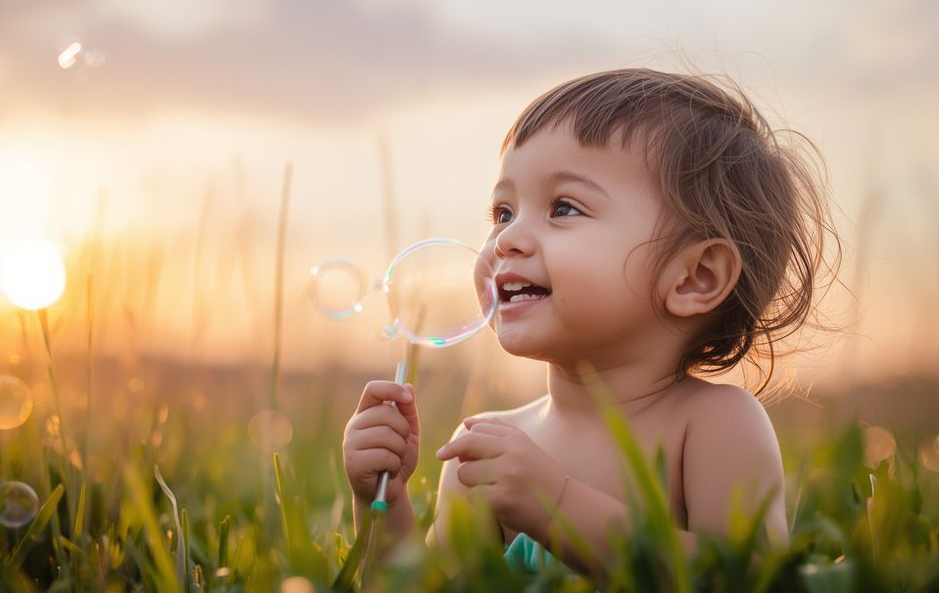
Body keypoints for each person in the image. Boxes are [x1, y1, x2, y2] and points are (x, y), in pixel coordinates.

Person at [342, 67, 838, 584]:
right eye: (503, 212)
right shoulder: (489, 443)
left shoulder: (715, 425)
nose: (506, 240)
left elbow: (748, 578)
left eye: (563, 208)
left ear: (695, 277)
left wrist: (555, 504)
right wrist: (382, 499)